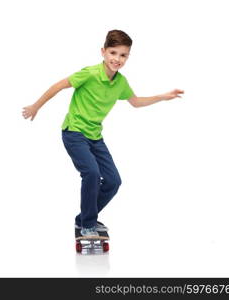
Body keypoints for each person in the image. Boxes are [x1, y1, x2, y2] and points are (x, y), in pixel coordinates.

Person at [22, 29, 184, 238]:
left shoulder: (121, 83)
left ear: (128, 57)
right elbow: (58, 86)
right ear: (103, 52)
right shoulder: (89, 73)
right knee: (91, 173)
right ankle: (87, 224)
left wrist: (163, 96)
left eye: (123, 55)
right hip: (74, 132)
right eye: (113, 53)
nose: (117, 59)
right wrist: (36, 106)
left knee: (113, 181)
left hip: (95, 137)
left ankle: (84, 219)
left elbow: (136, 102)